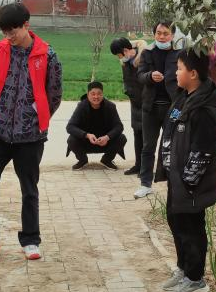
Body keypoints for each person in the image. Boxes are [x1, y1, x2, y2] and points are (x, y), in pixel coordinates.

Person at [0, 3, 63, 264]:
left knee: (29, 189)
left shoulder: (47, 54)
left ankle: (30, 239)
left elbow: (54, 94)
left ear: (26, 25)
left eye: (13, 31)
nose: (8, 36)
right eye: (4, 31)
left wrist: (34, 116)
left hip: (30, 136)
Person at [155, 48, 216, 292]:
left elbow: (203, 150)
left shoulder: (205, 108)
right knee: (176, 223)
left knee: (191, 228)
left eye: (179, 69)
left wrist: (188, 181)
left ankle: (195, 279)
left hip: (190, 184)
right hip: (176, 179)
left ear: (194, 73)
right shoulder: (183, 97)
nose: (175, 73)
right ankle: (183, 268)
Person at [135, 21, 180, 198]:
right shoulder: (147, 53)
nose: (161, 37)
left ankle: (174, 184)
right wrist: (150, 76)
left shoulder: (179, 54)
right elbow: (140, 76)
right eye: (158, 33)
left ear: (172, 35)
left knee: (173, 146)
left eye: (165, 33)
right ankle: (145, 184)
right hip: (150, 107)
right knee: (148, 146)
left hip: (172, 107)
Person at [65, 81, 127, 170]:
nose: (96, 97)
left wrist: (107, 137)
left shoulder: (110, 106)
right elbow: (70, 127)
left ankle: (107, 160)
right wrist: (87, 135)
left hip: (105, 142)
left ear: (102, 94)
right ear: (88, 95)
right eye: (93, 94)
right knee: (71, 139)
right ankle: (82, 160)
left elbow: (119, 126)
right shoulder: (81, 106)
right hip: (86, 142)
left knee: (122, 138)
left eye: (99, 94)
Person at [110, 36, 149, 176]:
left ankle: (146, 168)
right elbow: (127, 81)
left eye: (119, 54)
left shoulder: (144, 58)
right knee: (137, 134)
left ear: (126, 50)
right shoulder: (125, 63)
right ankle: (138, 165)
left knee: (147, 137)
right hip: (135, 104)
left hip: (147, 104)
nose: (119, 58)